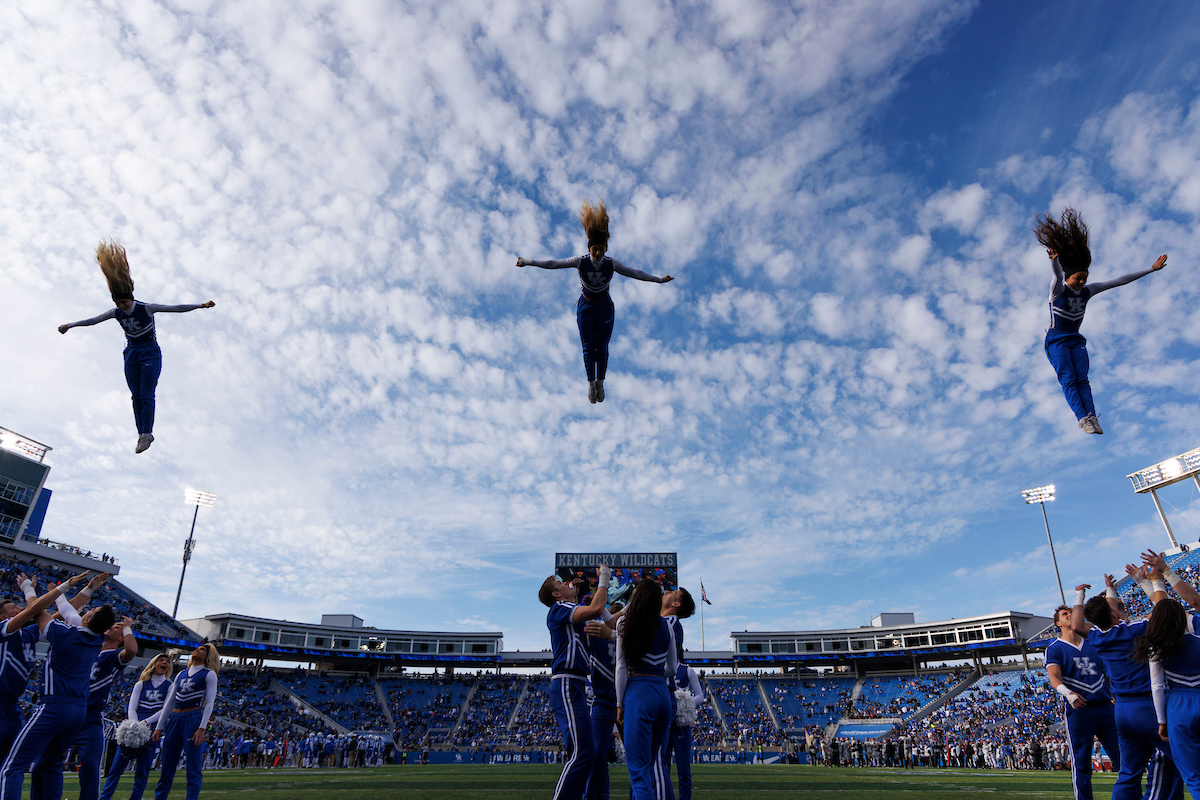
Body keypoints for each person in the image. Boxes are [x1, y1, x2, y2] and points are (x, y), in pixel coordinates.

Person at [58, 240, 216, 452]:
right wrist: (71, 325)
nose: (122, 306)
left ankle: (146, 433)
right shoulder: (116, 313)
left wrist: (200, 305)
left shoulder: (146, 308)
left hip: (150, 352)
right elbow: (93, 320)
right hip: (131, 353)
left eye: (125, 302)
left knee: (146, 392)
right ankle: (141, 434)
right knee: (135, 396)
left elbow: (175, 308)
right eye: (119, 304)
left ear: (131, 299)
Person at [516, 200, 673, 404]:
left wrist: (658, 279)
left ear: (605, 248)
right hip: (586, 307)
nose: (598, 253)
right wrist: (529, 262)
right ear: (589, 248)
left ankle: (601, 382)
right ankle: (591, 383)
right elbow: (554, 263)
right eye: (594, 249)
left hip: (604, 308)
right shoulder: (580, 261)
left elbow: (636, 273)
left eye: (601, 249)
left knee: (603, 346)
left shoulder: (611, 264)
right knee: (589, 347)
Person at [1035, 209, 1167, 433]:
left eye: (1084, 278)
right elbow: (1057, 275)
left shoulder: (1088, 291)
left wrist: (1150, 269)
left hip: (1075, 340)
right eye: (1078, 278)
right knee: (1069, 378)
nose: (1082, 282)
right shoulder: (1058, 291)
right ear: (1070, 277)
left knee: (1083, 379)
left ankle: (1092, 416)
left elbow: (1120, 281)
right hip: (1057, 341)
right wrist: (1055, 261)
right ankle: (1082, 418)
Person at [1072, 560, 1186, 800]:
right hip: (1148, 706)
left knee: (1129, 772)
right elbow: (1162, 607)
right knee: (1184, 759)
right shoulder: (1135, 629)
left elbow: (1077, 623)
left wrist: (1080, 596)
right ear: (1113, 613)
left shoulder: (1098, 638)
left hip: (1122, 709)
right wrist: (1152, 580)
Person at [0, 571, 110, 800]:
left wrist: (41, 590)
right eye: (12, 608)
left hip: (33, 706)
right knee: (39, 763)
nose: (18, 609)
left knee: (12, 763)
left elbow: (51, 611)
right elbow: (42, 610)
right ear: (2, 616)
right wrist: (80, 590)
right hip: (67, 708)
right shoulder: (6, 629)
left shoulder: (35, 633)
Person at [32, 572, 135, 800]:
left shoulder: (109, 653)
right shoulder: (89, 638)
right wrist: (65, 593)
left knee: (89, 764)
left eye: (117, 626)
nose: (113, 627)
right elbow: (70, 614)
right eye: (114, 624)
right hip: (68, 709)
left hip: (89, 717)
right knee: (43, 763)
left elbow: (132, 651)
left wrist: (127, 627)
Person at [539, 566, 611, 800]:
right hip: (567, 683)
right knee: (582, 754)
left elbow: (605, 620)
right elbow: (597, 609)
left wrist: (633, 607)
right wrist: (604, 577)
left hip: (576, 685)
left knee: (587, 753)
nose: (567, 583)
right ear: (556, 595)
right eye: (560, 583)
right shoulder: (559, 608)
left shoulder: (569, 609)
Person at [1045, 600, 1120, 799]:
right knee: (1081, 764)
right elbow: (1053, 676)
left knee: (1124, 759)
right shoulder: (1055, 648)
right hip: (1079, 709)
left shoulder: (1094, 642)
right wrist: (1067, 693)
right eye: (1064, 614)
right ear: (1058, 623)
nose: (1069, 615)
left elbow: (1110, 671)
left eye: (1071, 612)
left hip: (1105, 707)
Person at [615, 579, 679, 800]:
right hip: (662, 693)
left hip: (638, 692)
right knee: (649, 766)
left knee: (639, 772)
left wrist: (619, 703)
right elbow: (673, 667)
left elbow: (621, 667)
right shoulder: (667, 625)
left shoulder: (624, 622)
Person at [99, 653, 173, 800]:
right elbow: (132, 707)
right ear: (154, 663)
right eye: (161, 660)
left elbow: (166, 710)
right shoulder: (141, 684)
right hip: (132, 730)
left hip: (151, 731)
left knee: (142, 772)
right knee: (115, 770)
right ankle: (104, 798)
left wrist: (145, 724)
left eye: (167, 661)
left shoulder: (170, 686)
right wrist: (135, 727)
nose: (164, 663)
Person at [152, 643, 220, 800]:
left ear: (208, 656)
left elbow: (209, 702)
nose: (196, 650)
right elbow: (169, 703)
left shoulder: (209, 674)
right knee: (167, 766)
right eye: (197, 648)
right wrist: (159, 726)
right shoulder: (181, 673)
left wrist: (202, 727)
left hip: (193, 718)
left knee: (193, 767)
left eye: (202, 650)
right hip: (175, 720)